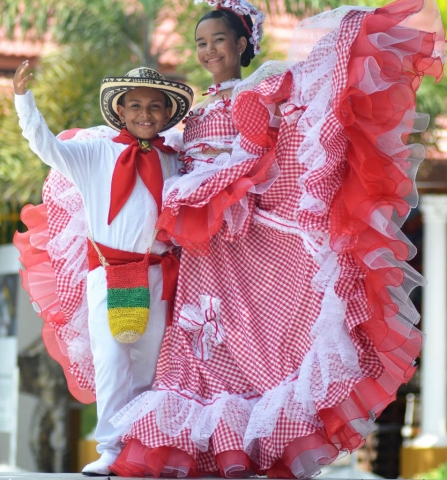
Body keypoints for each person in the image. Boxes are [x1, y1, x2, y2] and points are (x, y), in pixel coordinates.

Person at [106, 0, 445, 478]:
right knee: (194, 346)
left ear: (243, 44)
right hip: (204, 253)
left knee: (266, 341)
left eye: (219, 40)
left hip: (247, 238)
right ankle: (206, 454)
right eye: (201, 43)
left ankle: (257, 448)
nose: (208, 50)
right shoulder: (197, 112)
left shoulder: (261, 94)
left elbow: (268, 160)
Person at [13, 64, 193, 476]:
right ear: (121, 109)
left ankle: (139, 450)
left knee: (148, 365)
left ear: (167, 114)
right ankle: (110, 449)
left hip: (159, 273)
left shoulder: (177, 160)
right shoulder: (96, 153)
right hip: (110, 271)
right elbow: (46, 147)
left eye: (154, 107)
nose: (144, 114)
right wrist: (25, 100)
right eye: (135, 105)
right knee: (112, 359)